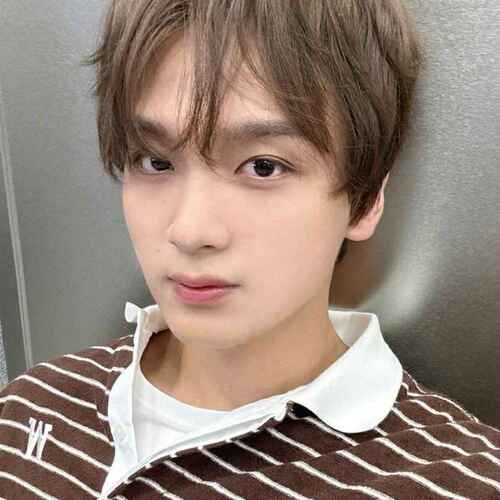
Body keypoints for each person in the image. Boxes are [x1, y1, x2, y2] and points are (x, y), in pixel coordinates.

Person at [1, 1, 499, 498]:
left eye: (263, 166)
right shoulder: (29, 405)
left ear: (365, 199)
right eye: (155, 161)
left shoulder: (459, 481)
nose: (190, 231)